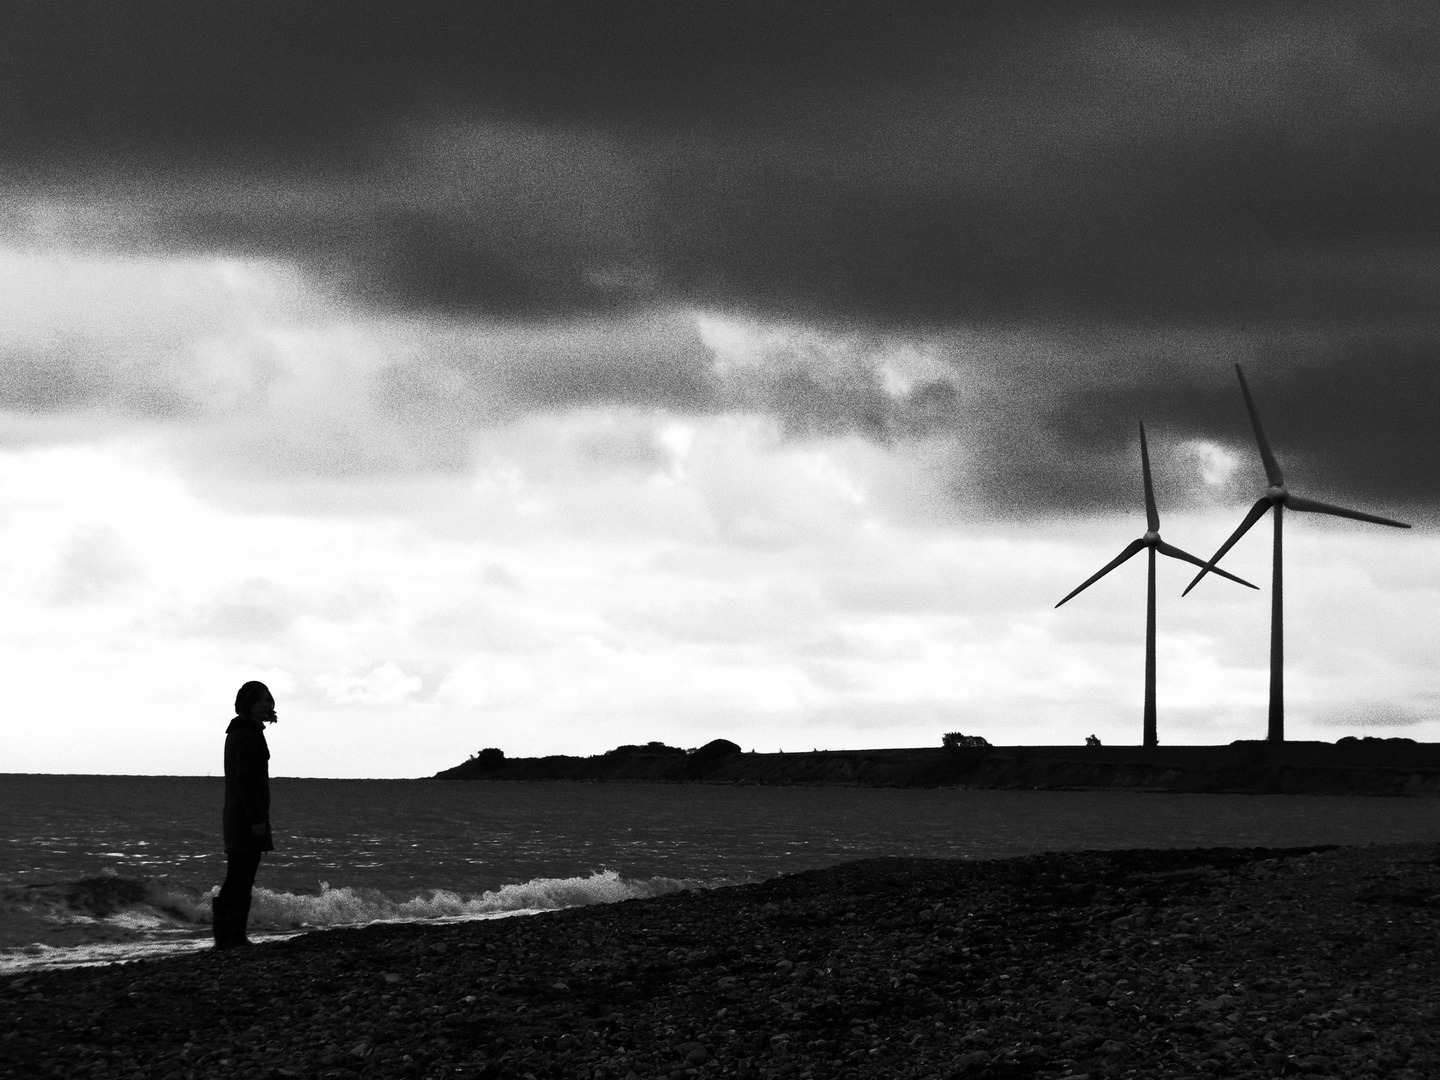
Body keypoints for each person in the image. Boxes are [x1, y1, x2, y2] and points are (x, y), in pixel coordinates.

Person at [214, 680, 276, 949]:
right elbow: (247, 780)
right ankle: (232, 937)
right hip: (244, 816)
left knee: (238, 874)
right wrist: (257, 819)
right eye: (261, 699)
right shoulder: (246, 734)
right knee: (241, 875)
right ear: (247, 702)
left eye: (268, 699)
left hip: (239, 813)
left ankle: (228, 937)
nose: (266, 704)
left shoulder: (243, 732)